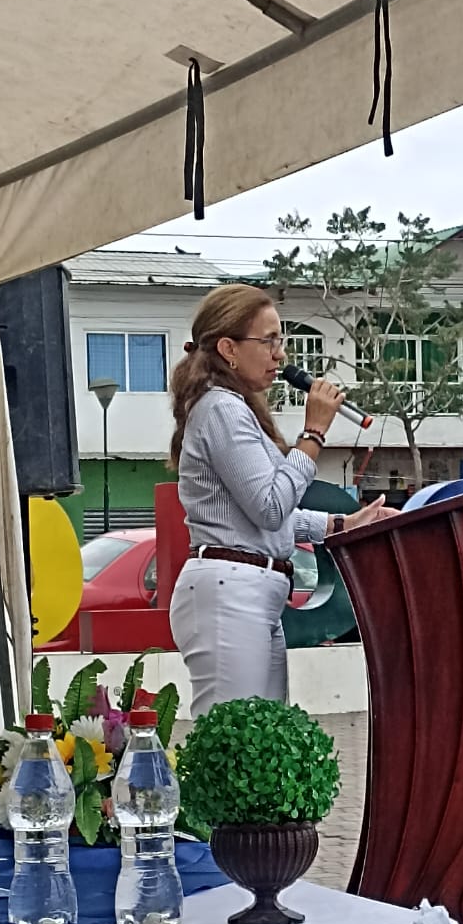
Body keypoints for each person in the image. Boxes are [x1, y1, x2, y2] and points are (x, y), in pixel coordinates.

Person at [168, 284, 395, 713]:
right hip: (231, 592)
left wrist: (342, 525)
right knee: (236, 734)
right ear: (229, 349)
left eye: (281, 340)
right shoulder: (220, 409)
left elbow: (267, 513)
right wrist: (314, 433)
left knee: (263, 733)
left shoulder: (235, 408)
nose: (281, 355)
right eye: (269, 340)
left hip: (253, 590)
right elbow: (270, 507)